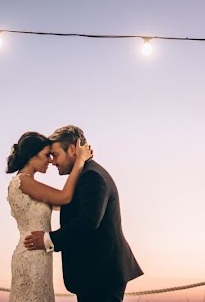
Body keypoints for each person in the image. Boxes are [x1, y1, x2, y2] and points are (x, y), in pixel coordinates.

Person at [24, 125, 143, 302]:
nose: (53, 162)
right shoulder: (85, 175)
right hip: (95, 275)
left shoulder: (92, 177)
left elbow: (87, 222)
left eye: (55, 155)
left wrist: (48, 240)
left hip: (102, 276)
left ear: (73, 149)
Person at [7, 131, 93, 302]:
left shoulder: (30, 184)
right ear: (32, 156)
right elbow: (64, 197)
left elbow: (64, 202)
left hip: (40, 253)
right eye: (47, 155)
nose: (51, 160)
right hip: (32, 253)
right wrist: (80, 162)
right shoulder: (23, 181)